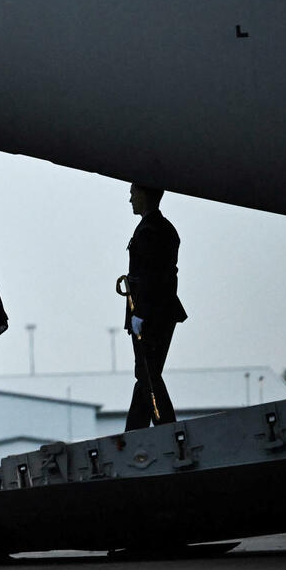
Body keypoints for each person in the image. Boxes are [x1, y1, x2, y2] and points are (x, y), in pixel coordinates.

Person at [123, 183, 187, 431]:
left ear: (145, 197)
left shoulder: (151, 230)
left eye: (133, 195)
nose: (130, 200)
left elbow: (152, 277)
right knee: (147, 372)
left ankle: (165, 428)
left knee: (147, 372)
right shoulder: (160, 228)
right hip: (158, 310)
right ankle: (137, 429)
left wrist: (140, 313)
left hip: (151, 312)